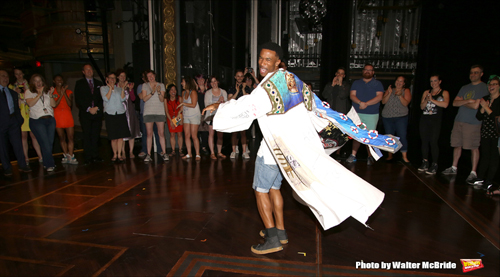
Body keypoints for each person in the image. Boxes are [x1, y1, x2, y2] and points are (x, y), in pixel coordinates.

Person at [203, 42, 397, 255]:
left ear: (278, 62)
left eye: (268, 59)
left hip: (271, 149)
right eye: (260, 58)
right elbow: (316, 105)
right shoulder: (292, 79)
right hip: (285, 151)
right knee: (275, 189)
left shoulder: (269, 87)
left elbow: (247, 107)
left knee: (260, 191)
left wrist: (219, 107)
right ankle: (281, 231)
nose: (262, 63)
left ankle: (271, 237)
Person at [442, 65, 489, 184]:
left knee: (473, 147)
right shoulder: (464, 87)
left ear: (481, 74)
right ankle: (454, 167)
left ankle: (473, 172)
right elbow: (454, 103)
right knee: (457, 144)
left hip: (473, 122)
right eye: (471, 72)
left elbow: (476, 106)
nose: (473, 75)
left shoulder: (484, 88)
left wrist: (462, 102)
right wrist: (468, 101)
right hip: (459, 120)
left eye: (476, 72)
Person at [347, 64, 384, 165]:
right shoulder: (356, 83)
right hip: (357, 113)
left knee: (370, 136)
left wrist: (366, 104)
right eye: (366, 70)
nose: (367, 71)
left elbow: (379, 97)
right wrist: (360, 103)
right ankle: (353, 155)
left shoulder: (378, 84)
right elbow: (352, 95)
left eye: (370, 70)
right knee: (356, 134)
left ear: (373, 72)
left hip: (371, 114)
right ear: (363, 71)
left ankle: (370, 156)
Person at [0, 69, 31, 176]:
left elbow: (17, 108)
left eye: (7, 76)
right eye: (3, 76)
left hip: (13, 121)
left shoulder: (13, 92)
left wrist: (19, 120)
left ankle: (22, 165)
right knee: (2, 146)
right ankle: (7, 167)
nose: (5, 78)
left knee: (18, 144)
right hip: (1, 123)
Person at [418, 75, 450, 174]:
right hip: (425, 119)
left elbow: (445, 104)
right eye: (431, 81)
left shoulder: (444, 92)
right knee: (424, 141)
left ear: (440, 81)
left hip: (435, 120)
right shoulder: (426, 92)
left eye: (435, 81)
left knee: (433, 141)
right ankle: (425, 162)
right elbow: (422, 107)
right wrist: (427, 100)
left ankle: (434, 164)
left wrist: (432, 100)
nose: (433, 83)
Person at [25, 74, 57, 172]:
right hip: (37, 120)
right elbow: (30, 103)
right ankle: (50, 164)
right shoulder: (29, 92)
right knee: (45, 143)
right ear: (32, 82)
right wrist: (39, 94)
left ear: (43, 82)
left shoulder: (47, 92)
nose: (38, 83)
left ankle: (47, 162)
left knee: (49, 143)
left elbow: (53, 104)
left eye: (40, 80)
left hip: (50, 119)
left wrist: (50, 95)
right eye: (36, 81)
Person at [10, 67, 42, 163]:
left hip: (31, 111)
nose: (19, 76)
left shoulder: (31, 84)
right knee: (23, 136)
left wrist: (27, 90)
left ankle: (40, 156)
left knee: (34, 135)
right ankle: (25, 158)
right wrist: (15, 94)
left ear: (23, 74)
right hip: (20, 113)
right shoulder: (11, 86)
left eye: (20, 73)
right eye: (16, 74)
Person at [74, 64, 104, 165]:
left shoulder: (99, 83)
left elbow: (101, 98)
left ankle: (95, 155)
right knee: (87, 135)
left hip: (97, 113)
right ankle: (87, 157)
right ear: (83, 72)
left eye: (90, 69)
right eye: (87, 70)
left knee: (96, 135)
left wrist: (97, 108)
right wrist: (88, 108)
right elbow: (78, 99)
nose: (89, 71)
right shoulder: (79, 83)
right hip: (85, 114)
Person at [475, 75, 500, 190]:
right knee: (485, 155)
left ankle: (489, 180)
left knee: (493, 157)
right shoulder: (486, 98)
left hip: (496, 133)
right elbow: (479, 117)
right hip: (485, 131)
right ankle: (480, 177)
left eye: (494, 84)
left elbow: (496, 117)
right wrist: (482, 107)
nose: (491, 86)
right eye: (490, 84)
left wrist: (486, 107)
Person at [381, 76, 412, 163]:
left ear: (404, 83)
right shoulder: (390, 89)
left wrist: (400, 96)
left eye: (401, 81)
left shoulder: (406, 90)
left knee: (402, 136)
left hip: (401, 117)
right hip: (387, 117)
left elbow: (406, 103)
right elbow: (383, 102)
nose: (399, 82)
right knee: (389, 137)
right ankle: (390, 155)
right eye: (398, 80)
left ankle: (404, 157)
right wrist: (390, 93)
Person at [101, 72, 131, 162]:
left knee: (120, 136)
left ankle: (119, 154)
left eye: (114, 78)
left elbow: (123, 99)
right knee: (113, 137)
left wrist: (122, 89)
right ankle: (114, 154)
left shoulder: (118, 89)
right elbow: (106, 98)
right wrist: (110, 88)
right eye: (110, 78)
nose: (112, 80)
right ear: (107, 79)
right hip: (110, 114)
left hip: (120, 113)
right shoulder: (103, 88)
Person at [141, 70, 168, 162]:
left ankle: (164, 152)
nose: (150, 77)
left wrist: (159, 92)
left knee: (161, 133)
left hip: (159, 112)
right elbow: (144, 99)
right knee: (149, 134)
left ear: (155, 75)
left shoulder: (161, 85)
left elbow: (161, 100)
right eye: (148, 76)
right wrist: (152, 92)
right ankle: (148, 154)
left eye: (151, 75)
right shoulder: (145, 85)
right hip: (148, 112)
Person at [52, 74, 78, 164]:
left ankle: (71, 155)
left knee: (70, 137)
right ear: (54, 81)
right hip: (57, 116)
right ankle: (66, 154)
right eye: (57, 80)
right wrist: (61, 94)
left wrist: (64, 93)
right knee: (61, 137)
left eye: (61, 80)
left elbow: (70, 104)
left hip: (67, 115)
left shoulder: (69, 92)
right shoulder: (52, 93)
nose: (59, 81)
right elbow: (54, 104)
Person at [227, 69, 252, 159]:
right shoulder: (232, 88)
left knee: (243, 133)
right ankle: (233, 151)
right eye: (238, 76)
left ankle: (244, 152)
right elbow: (229, 100)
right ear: (235, 77)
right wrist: (237, 91)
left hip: (243, 113)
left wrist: (244, 89)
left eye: (241, 76)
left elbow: (248, 99)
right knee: (234, 133)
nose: (240, 78)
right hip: (234, 112)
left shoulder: (247, 87)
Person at [116, 69, 141, 158]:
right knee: (121, 132)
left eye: (124, 76)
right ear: (118, 77)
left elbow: (133, 99)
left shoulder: (129, 86)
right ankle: (122, 151)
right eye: (121, 76)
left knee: (132, 130)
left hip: (129, 110)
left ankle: (131, 151)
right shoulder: (115, 87)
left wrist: (130, 90)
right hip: (120, 111)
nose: (123, 78)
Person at [137, 71, 161, 158]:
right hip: (145, 112)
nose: (148, 78)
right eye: (146, 77)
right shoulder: (142, 86)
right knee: (146, 133)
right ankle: (145, 150)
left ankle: (160, 150)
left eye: (151, 76)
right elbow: (141, 97)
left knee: (158, 132)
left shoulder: (158, 85)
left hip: (156, 112)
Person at [204, 76, 227, 159]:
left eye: (215, 81)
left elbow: (226, 104)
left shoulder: (223, 92)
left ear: (218, 82)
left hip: (220, 116)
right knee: (211, 134)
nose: (213, 83)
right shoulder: (208, 93)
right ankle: (212, 153)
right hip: (211, 116)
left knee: (220, 135)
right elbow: (207, 105)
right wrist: (217, 102)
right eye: (212, 82)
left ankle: (219, 152)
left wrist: (223, 101)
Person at [179, 76, 201, 160]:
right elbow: (182, 105)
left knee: (194, 135)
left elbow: (193, 104)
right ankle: (189, 153)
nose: (181, 83)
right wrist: (179, 113)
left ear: (187, 83)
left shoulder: (193, 92)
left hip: (194, 115)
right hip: (186, 115)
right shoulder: (183, 93)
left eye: (183, 82)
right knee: (187, 135)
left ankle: (198, 154)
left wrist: (183, 104)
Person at [164, 84, 184, 156]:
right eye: (172, 90)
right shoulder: (166, 99)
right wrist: (171, 121)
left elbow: (182, 108)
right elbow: (166, 111)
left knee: (179, 134)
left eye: (175, 90)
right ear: (169, 91)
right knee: (172, 135)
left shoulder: (180, 98)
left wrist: (179, 114)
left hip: (178, 117)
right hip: (170, 118)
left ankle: (180, 150)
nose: (173, 91)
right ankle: (173, 150)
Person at [195, 73, 210, 156]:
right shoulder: (195, 90)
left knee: (205, 132)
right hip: (196, 113)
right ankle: (198, 147)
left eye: (201, 79)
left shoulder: (209, 90)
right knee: (196, 132)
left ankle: (204, 147)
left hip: (206, 113)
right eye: (198, 79)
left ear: (204, 80)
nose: (200, 81)